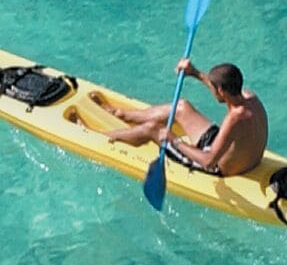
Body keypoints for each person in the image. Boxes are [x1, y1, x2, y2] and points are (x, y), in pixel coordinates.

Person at [107, 59, 267, 177]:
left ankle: (105, 137)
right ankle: (123, 114)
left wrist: (175, 140)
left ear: (221, 91)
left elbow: (209, 161)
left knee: (154, 129)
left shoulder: (234, 119)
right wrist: (194, 72)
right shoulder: (250, 97)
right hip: (233, 154)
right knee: (181, 107)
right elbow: (221, 86)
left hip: (217, 166)